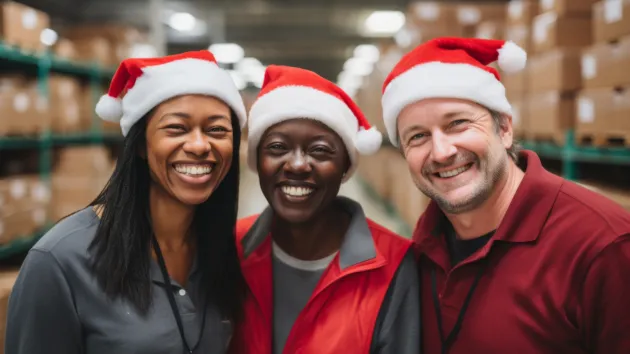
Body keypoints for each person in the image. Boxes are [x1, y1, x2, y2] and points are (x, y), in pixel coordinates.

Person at [379, 36, 630, 354]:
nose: (441, 152)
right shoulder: (425, 243)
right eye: (417, 137)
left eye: (458, 123)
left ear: (505, 129)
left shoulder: (602, 246)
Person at [5, 50, 249, 354]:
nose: (200, 145)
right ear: (140, 146)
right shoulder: (61, 261)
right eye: (176, 128)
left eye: (217, 130)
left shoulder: (224, 252)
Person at [229, 65, 421, 354]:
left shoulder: (396, 264)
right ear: (258, 162)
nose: (296, 165)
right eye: (278, 148)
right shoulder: (229, 248)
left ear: (345, 166)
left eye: (319, 150)